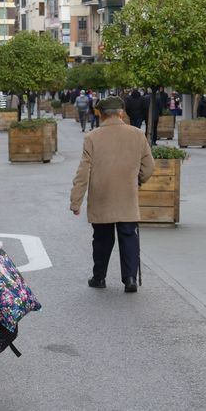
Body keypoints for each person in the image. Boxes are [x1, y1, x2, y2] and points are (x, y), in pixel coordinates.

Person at [70, 96, 155, 293]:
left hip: (101, 197)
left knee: (101, 239)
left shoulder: (92, 137)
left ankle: (99, 277)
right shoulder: (137, 134)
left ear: (101, 114)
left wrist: (76, 201)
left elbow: (83, 173)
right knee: (128, 236)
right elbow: (149, 166)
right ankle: (130, 278)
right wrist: (138, 180)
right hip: (126, 196)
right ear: (121, 112)